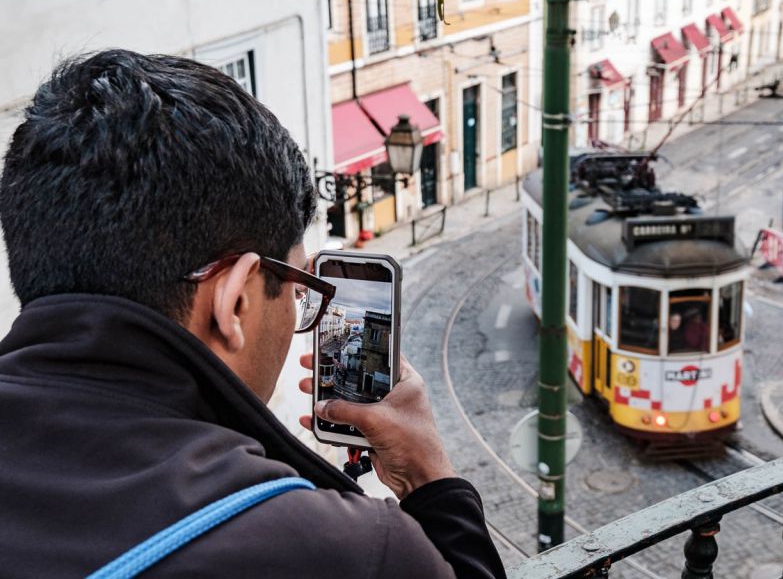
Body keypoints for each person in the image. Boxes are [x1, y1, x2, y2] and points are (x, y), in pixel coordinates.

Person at [0, 50, 506, 577]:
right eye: (299, 289)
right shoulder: (339, 548)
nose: (296, 312)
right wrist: (429, 478)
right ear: (235, 299)